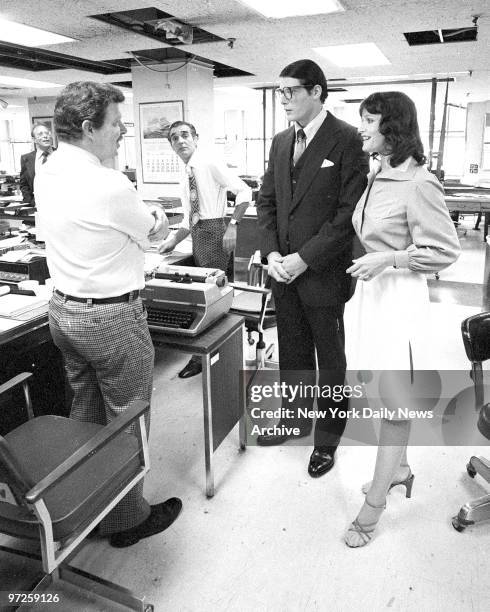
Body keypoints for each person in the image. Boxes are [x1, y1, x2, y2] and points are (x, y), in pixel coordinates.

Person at [35, 81, 182, 548]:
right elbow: (153, 233)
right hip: (112, 320)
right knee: (127, 418)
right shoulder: (108, 182)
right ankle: (126, 520)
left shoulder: (48, 169)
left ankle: (90, 508)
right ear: (88, 127)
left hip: (64, 314)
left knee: (87, 413)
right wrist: (155, 214)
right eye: (115, 124)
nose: (122, 132)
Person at [344, 91, 461, 547]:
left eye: (369, 121)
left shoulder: (419, 182)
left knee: (394, 403)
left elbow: (445, 251)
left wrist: (389, 260)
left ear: (392, 127)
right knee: (382, 392)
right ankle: (402, 469)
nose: (362, 129)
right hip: (374, 298)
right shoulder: (380, 174)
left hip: (399, 301)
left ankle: (373, 506)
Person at [255, 59, 369, 478]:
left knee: (330, 356)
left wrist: (303, 259)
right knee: (294, 353)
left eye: (290, 91)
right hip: (282, 271)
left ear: (317, 91)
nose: (282, 99)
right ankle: (295, 418)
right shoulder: (282, 140)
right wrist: (271, 256)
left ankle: (328, 436)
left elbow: (347, 215)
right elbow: (267, 201)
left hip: (321, 272)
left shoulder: (348, 140)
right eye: (278, 92)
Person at [160, 120, 252, 379]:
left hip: (216, 233)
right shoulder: (185, 171)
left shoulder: (209, 163)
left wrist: (233, 225)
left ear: (196, 138)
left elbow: (244, 191)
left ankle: (208, 357)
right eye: (174, 138)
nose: (180, 141)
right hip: (199, 235)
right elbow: (192, 217)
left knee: (213, 298)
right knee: (207, 296)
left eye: (185, 135)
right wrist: (172, 241)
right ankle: (212, 354)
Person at [19, 123, 54, 204]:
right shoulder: (26, 158)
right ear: (34, 140)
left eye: (47, 133)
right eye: (40, 134)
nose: (45, 136)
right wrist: (31, 202)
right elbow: (24, 185)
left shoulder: (61, 154)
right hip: (37, 206)